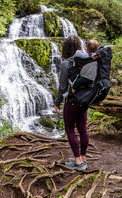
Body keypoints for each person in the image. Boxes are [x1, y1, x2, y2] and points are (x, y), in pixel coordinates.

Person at [54, 36, 89, 171]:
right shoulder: (86, 61)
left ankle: (78, 162)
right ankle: (83, 159)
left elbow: (63, 87)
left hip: (72, 101)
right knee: (83, 129)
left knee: (69, 129)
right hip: (84, 101)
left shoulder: (66, 63)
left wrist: (57, 102)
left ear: (65, 48)